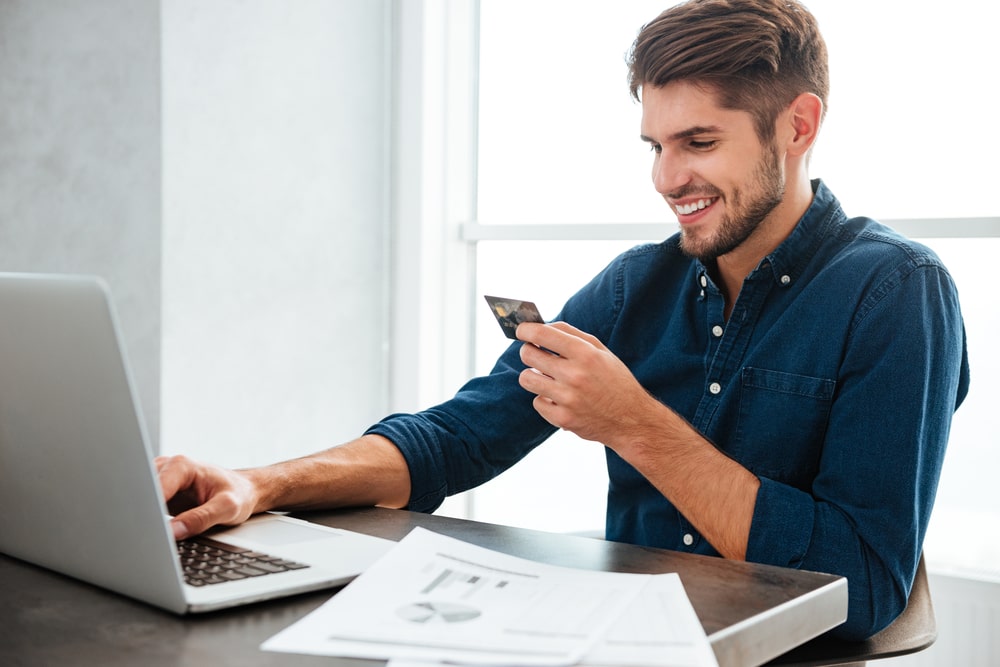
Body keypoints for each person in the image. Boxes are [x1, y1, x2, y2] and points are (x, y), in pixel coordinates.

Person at [157, 0, 970, 641]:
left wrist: (634, 424)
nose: (665, 176)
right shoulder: (634, 288)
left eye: (697, 141)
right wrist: (259, 482)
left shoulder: (895, 292)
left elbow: (860, 588)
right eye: (652, 145)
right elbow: (455, 439)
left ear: (798, 126)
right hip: (624, 642)